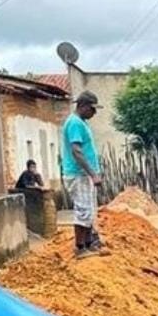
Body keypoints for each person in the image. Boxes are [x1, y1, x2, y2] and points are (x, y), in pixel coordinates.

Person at [61, 91, 107, 257]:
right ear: (83, 106)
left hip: (84, 174)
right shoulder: (75, 123)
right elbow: (76, 151)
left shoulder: (81, 122)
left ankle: (88, 243)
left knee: (89, 210)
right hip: (78, 173)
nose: (94, 113)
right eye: (92, 109)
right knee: (83, 210)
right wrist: (93, 174)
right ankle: (80, 247)